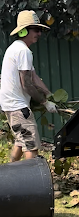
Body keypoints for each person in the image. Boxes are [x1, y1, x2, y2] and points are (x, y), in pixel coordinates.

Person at [0, 10, 57, 161]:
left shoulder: (15, 48)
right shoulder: (23, 51)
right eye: (36, 30)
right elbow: (27, 84)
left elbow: (34, 77)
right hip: (19, 108)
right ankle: (30, 182)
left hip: (11, 106)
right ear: (24, 30)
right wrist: (45, 103)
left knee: (21, 141)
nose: (39, 33)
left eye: (40, 30)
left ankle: (8, 176)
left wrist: (49, 94)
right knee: (31, 147)